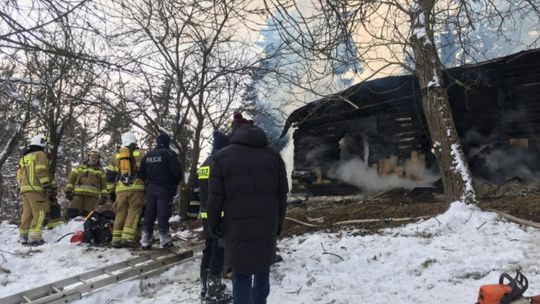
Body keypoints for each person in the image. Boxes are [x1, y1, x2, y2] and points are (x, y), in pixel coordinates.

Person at [207, 120, 288, 304]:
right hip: (266, 227)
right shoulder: (274, 157)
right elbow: (282, 195)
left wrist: (214, 225)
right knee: (262, 270)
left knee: (241, 276)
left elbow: (215, 199)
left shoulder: (220, 158)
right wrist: (279, 223)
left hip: (236, 229)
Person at [198, 131, 232, 303]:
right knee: (219, 249)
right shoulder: (220, 163)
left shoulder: (205, 163)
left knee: (209, 248)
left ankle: (205, 287)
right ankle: (214, 290)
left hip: (206, 216)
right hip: (220, 215)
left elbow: (198, 192)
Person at [139, 132, 182, 250]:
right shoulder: (169, 154)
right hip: (164, 188)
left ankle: (146, 239)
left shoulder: (148, 156)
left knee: (149, 214)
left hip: (150, 188)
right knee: (163, 213)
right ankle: (165, 238)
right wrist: (173, 184)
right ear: (167, 142)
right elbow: (177, 173)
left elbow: (141, 174)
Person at [105, 131, 146, 248]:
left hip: (120, 189)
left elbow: (109, 176)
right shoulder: (141, 153)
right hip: (137, 188)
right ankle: (127, 238)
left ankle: (116, 239)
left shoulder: (115, 156)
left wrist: (111, 191)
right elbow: (147, 172)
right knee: (134, 211)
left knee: (120, 213)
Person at [16, 134, 55, 246]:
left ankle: (24, 236)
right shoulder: (40, 154)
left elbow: (19, 174)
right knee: (40, 212)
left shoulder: (25, 157)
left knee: (27, 214)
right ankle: (35, 237)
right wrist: (46, 185)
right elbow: (40, 170)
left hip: (24, 189)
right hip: (36, 189)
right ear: (42, 144)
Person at [65, 150, 108, 219]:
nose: (93, 159)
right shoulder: (79, 168)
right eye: (92, 157)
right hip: (78, 195)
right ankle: (69, 228)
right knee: (72, 213)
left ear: (98, 159)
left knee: (88, 217)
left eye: (96, 158)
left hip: (91, 198)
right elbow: (71, 180)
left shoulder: (100, 171)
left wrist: (104, 196)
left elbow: (104, 185)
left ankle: (84, 229)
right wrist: (68, 191)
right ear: (88, 157)